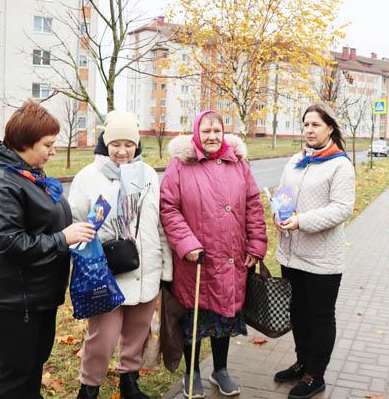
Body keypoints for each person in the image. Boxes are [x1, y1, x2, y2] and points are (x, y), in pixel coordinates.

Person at [0, 99, 96, 398]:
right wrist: (63, 238)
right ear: (25, 143)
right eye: (48, 144)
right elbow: (11, 245)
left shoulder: (27, 174)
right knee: (14, 375)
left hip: (35, 292)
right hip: (12, 297)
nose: (54, 150)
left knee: (31, 366)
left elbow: (43, 223)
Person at [160, 110, 267, 398]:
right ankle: (191, 371)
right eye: (206, 131)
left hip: (231, 257)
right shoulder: (180, 165)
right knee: (193, 319)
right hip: (196, 260)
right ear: (196, 132)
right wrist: (186, 243)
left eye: (217, 131)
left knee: (224, 316)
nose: (211, 136)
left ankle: (220, 370)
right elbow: (168, 208)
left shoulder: (239, 164)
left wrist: (256, 244)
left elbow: (253, 205)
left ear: (224, 133)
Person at [69, 111, 172, 399]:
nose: (123, 151)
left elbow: (159, 224)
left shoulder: (149, 175)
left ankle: (129, 381)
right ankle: (89, 387)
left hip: (145, 268)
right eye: (116, 144)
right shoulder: (88, 177)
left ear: (137, 145)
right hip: (106, 272)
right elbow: (75, 224)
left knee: (137, 332)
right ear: (105, 143)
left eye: (129, 144)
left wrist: (166, 268)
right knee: (103, 337)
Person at [273, 102, 356, 399]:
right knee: (298, 313)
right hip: (291, 254)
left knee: (320, 317)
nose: (309, 129)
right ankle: (302, 362)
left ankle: (315, 374)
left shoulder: (340, 164)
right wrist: (279, 214)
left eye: (315, 125)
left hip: (322, 259)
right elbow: (283, 194)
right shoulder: (296, 160)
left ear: (330, 128)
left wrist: (300, 222)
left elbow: (341, 209)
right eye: (306, 124)